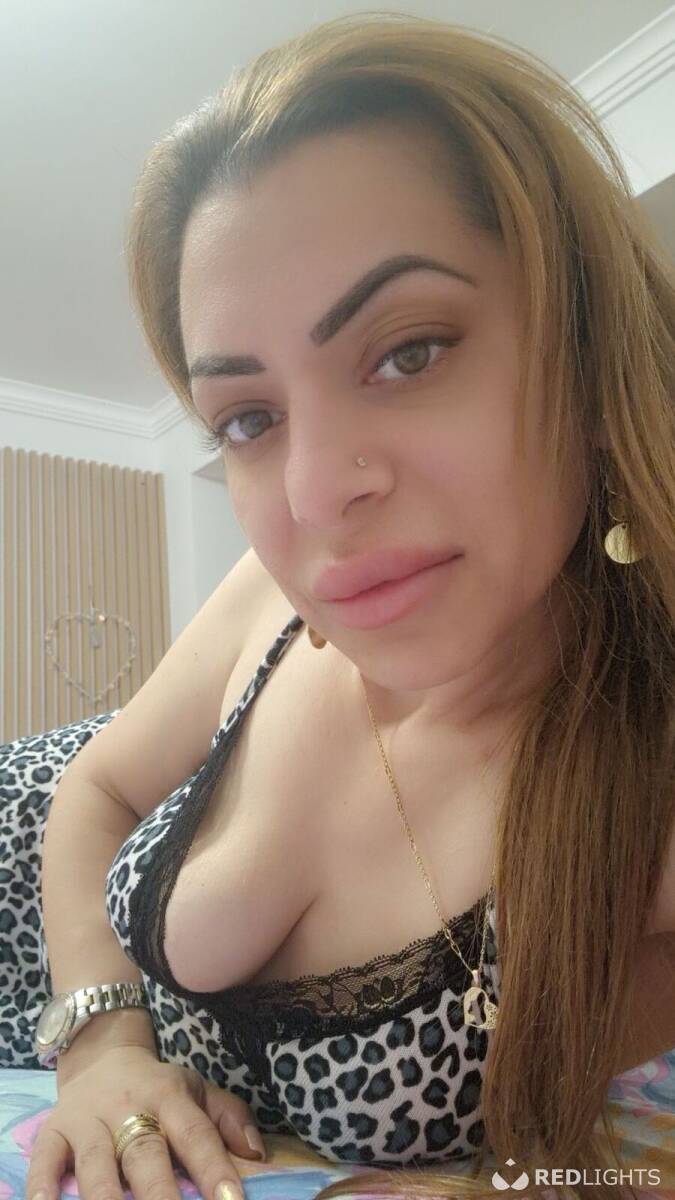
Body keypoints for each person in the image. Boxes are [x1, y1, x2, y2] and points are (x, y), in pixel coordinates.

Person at [8, 11, 673, 1200]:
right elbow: (91, 790)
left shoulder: (638, 772)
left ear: (587, 342)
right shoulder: (267, 599)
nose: (314, 496)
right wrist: (102, 1043)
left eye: (408, 352)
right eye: (249, 419)